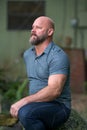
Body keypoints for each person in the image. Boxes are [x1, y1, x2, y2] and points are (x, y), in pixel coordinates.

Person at [10, 16, 71, 130]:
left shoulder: (58, 56)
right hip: (37, 104)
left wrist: (24, 101)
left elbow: (54, 91)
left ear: (50, 32)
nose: (33, 30)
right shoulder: (28, 54)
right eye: (33, 27)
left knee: (26, 113)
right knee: (21, 114)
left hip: (58, 106)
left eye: (38, 27)